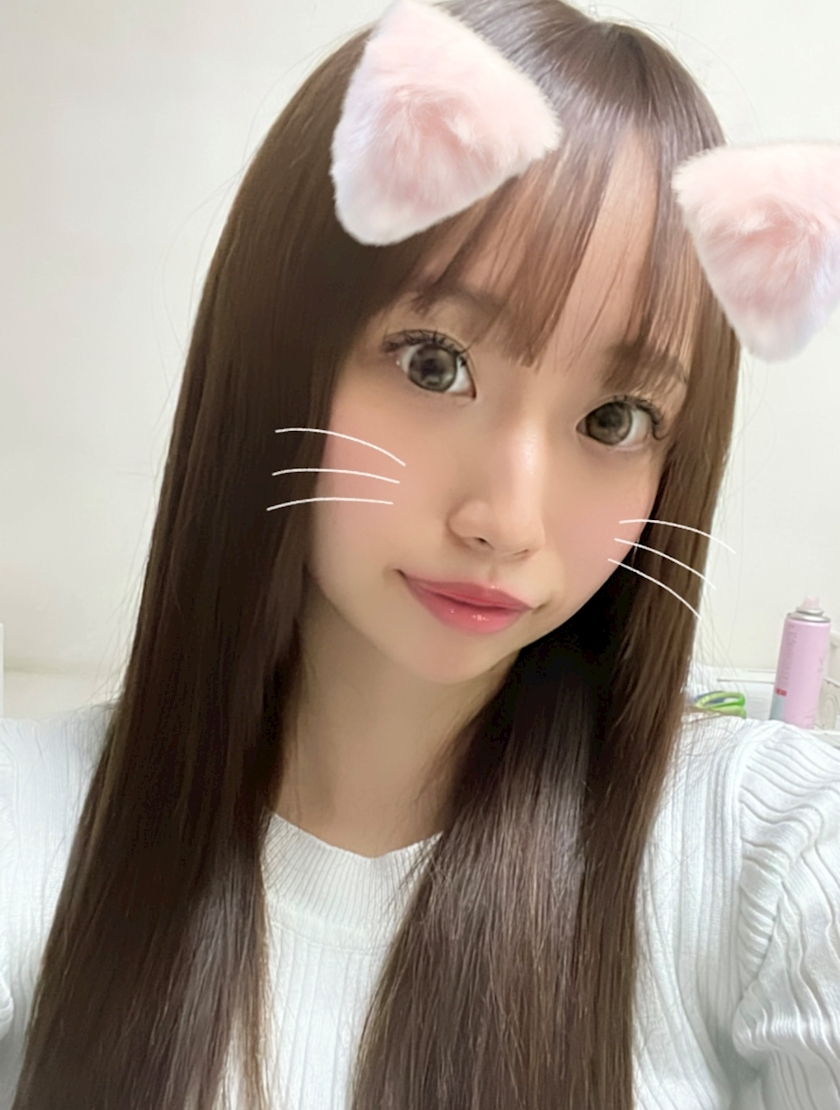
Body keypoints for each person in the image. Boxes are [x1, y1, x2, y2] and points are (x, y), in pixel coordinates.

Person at [2, 1, 838, 1108]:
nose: (508, 521)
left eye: (615, 419)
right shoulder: (37, 822)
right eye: (434, 363)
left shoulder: (757, 850)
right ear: (279, 349)